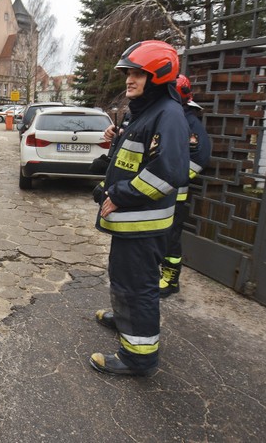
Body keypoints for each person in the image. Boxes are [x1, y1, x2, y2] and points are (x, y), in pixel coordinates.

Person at [90, 40, 189, 376]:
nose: (129, 80)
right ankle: (124, 319)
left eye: (137, 74)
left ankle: (138, 357)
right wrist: (115, 138)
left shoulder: (169, 115)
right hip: (131, 223)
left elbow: (167, 172)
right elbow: (138, 156)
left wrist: (119, 195)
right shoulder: (146, 112)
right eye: (128, 73)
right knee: (123, 279)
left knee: (138, 287)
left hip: (143, 225)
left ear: (158, 77)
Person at [160, 74, 211, 297]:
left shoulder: (190, 123)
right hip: (159, 192)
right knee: (160, 237)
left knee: (171, 239)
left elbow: (200, 157)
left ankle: (170, 279)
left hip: (175, 195)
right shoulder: (172, 117)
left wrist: (174, 179)